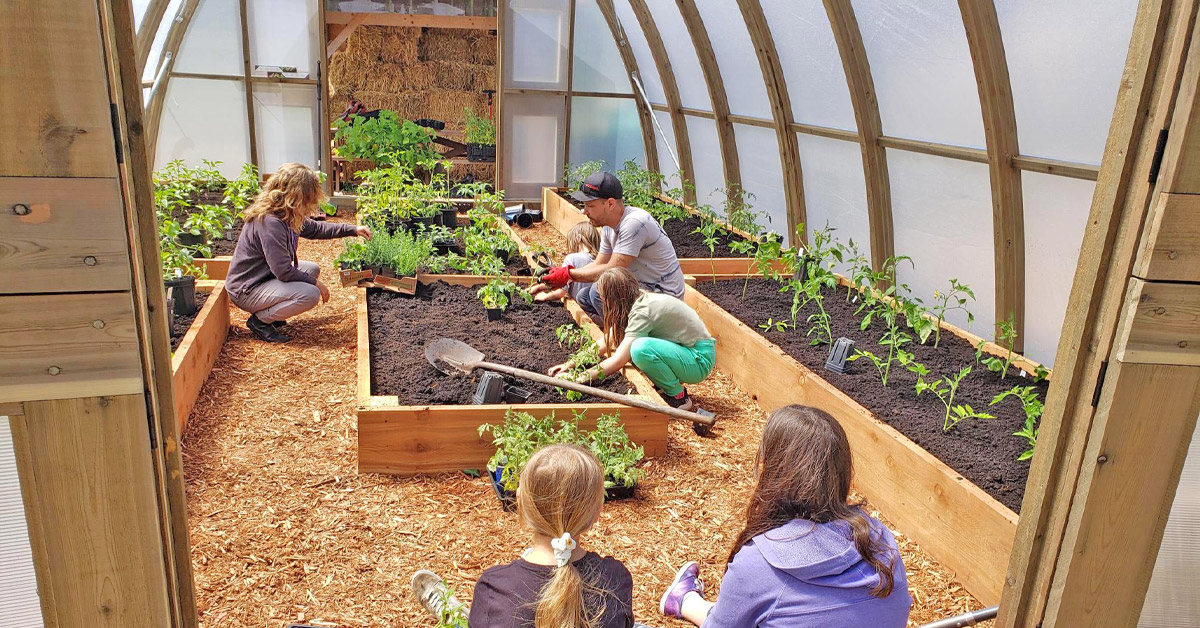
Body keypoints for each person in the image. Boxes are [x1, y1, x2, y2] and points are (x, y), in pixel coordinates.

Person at [657, 405, 912, 627]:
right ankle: (686, 600)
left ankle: (685, 600)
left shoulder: (759, 564)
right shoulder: (880, 541)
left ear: (775, 471)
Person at [411, 444, 634, 628]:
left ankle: (453, 615)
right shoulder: (615, 579)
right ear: (597, 512)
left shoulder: (494, 588)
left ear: (520, 502)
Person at [225, 163, 371, 343]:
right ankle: (260, 321)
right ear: (295, 195)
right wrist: (317, 284)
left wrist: (353, 229)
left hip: (263, 276)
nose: (311, 204)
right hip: (247, 289)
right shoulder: (270, 222)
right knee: (309, 294)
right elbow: (283, 271)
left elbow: (316, 229)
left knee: (312, 269)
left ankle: (271, 313)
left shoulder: (286, 214)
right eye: (308, 198)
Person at [548, 267, 714, 411]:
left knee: (639, 349)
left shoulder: (642, 311)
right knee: (636, 348)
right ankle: (667, 385)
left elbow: (618, 361)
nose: (603, 301)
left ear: (613, 298)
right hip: (687, 354)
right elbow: (606, 341)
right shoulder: (634, 300)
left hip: (698, 360)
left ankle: (679, 397)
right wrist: (570, 364)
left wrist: (578, 379)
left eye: (603, 297)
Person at [540, 171, 685, 317]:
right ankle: (618, 330)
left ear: (610, 204)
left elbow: (612, 270)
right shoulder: (609, 227)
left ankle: (629, 334)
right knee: (584, 297)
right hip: (642, 290)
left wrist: (568, 274)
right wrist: (565, 274)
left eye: (590, 206)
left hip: (664, 298)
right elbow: (599, 263)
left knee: (600, 291)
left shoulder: (634, 223)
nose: (585, 212)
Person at [529, 222, 601, 305]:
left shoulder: (572, 258)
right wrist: (540, 287)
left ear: (578, 239)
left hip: (579, 306)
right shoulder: (599, 261)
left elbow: (561, 291)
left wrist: (545, 296)